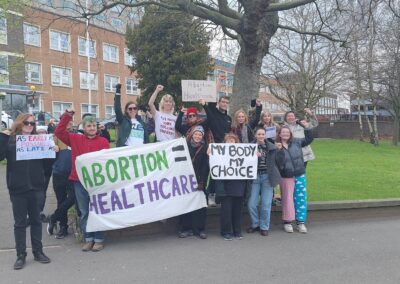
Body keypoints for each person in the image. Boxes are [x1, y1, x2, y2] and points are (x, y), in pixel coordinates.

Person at [0, 113, 51, 270]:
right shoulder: (10, 141)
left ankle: (38, 251)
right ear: (20, 123)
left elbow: (47, 164)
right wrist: (3, 136)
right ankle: (20, 255)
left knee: (36, 221)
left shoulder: (39, 141)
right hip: (18, 188)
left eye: (32, 124)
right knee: (20, 223)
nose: (30, 125)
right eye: (27, 123)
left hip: (36, 187)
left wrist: (52, 150)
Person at [55, 109, 109, 252]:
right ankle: (88, 238)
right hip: (79, 181)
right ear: (83, 128)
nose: (92, 128)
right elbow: (59, 133)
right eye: (89, 126)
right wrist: (67, 116)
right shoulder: (75, 139)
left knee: (97, 210)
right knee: (84, 211)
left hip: (98, 182)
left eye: (94, 126)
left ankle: (98, 239)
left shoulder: (103, 142)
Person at [276, 124, 313, 234]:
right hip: (286, 176)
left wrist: (307, 128)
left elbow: (309, 139)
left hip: (299, 174)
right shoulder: (276, 145)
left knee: (300, 199)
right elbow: (277, 163)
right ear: (279, 134)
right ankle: (288, 222)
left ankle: (300, 222)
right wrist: (278, 151)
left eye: (287, 132)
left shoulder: (297, 142)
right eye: (283, 132)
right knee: (287, 199)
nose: (285, 134)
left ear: (290, 134)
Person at [247, 127, 281, 236]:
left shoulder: (272, 147)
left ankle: (264, 226)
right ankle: (255, 224)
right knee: (251, 204)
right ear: (255, 135)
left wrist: (280, 151)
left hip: (267, 177)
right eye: (259, 134)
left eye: (263, 134)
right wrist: (253, 156)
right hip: (254, 177)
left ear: (265, 135)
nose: (261, 136)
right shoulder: (249, 148)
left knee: (266, 204)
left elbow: (280, 161)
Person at [199, 96, 232, 206]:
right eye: (223, 101)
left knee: (217, 173)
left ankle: (214, 195)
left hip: (223, 151)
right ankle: (203, 196)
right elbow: (211, 98)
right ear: (219, 103)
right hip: (211, 148)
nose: (224, 104)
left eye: (227, 102)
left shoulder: (228, 118)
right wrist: (219, 81)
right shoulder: (213, 112)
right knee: (206, 172)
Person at [178, 125, 209, 239]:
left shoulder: (206, 148)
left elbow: (206, 167)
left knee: (201, 206)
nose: (197, 136)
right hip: (186, 180)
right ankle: (186, 228)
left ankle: (200, 229)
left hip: (199, 180)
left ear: (202, 137)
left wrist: (202, 182)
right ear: (192, 135)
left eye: (200, 135)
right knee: (186, 204)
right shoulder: (184, 146)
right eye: (196, 134)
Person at [215, 133, 247, 241]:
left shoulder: (243, 154)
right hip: (225, 186)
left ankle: (237, 231)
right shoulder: (219, 154)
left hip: (238, 186)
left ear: (236, 142)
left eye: (232, 141)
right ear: (225, 142)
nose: (230, 143)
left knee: (237, 211)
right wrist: (210, 153)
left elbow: (249, 164)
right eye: (228, 141)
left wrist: (255, 155)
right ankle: (226, 232)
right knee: (226, 211)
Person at [46, 119, 75, 239]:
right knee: (61, 200)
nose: (68, 123)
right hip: (59, 173)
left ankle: (53, 218)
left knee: (74, 197)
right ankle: (63, 228)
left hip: (73, 174)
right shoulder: (55, 136)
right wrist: (52, 148)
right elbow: (45, 149)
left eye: (70, 121)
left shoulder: (77, 135)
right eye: (65, 121)